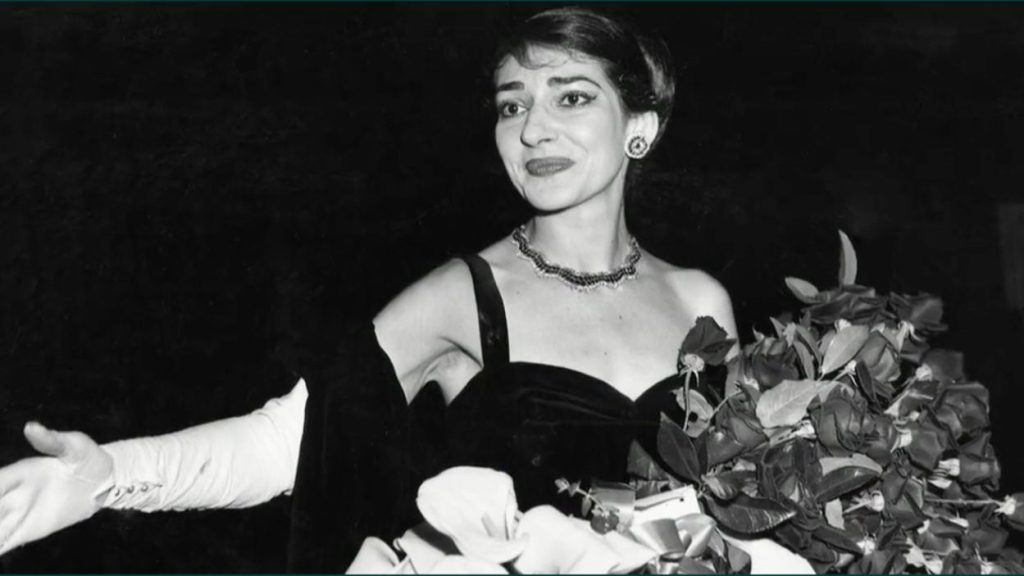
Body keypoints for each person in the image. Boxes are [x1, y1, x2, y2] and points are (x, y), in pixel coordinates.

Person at [0, 7, 746, 571]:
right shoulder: (464, 297)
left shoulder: (700, 304)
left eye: (571, 98)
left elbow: (740, 496)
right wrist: (105, 479)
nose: (533, 130)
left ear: (640, 126)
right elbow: (285, 440)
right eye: (512, 104)